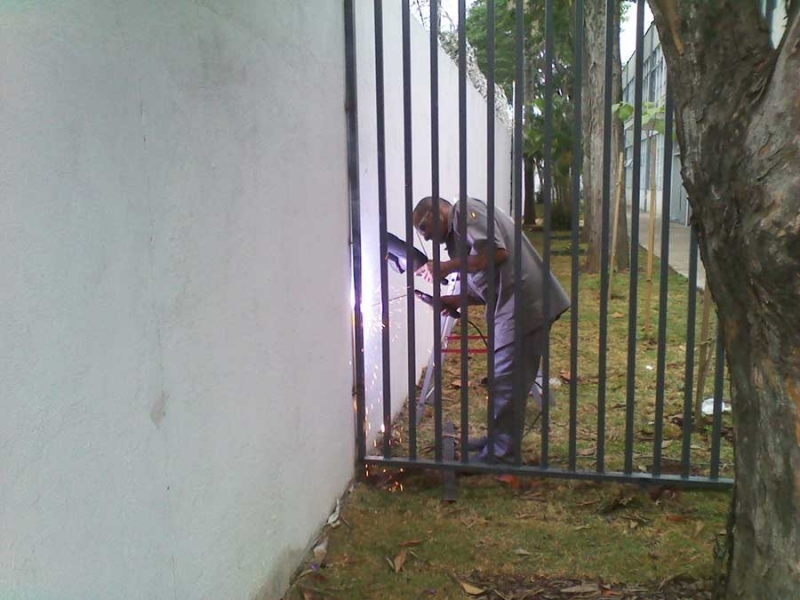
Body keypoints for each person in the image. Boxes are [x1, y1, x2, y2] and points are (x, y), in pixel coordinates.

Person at [412, 196, 570, 463]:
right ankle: (498, 440)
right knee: (502, 380)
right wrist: (451, 300)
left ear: (438, 212)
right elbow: (485, 282)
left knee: (507, 382)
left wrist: (447, 266)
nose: (426, 239)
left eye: (426, 229)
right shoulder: (457, 239)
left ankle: (501, 455)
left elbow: (497, 253)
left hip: (524, 303)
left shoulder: (464, 211)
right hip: (511, 304)